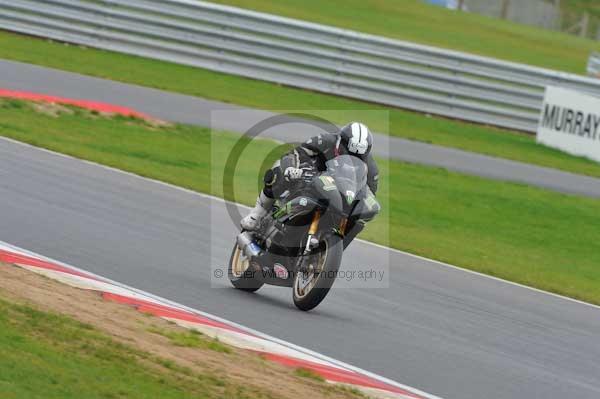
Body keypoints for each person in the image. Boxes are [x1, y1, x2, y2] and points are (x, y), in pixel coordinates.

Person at [241, 122, 379, 247]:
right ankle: (257, 214)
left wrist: (364, 207)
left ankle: (331, 249)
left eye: (357, 156)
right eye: (347, 151)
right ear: (340, 142)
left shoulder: (371, 168)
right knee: (278, 171)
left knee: (359, 219)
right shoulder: (325, 141)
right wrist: (292, 168)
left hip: (339, 194)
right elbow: (296, 153)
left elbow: (369, 193)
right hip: (311, 177)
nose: (351, 156)